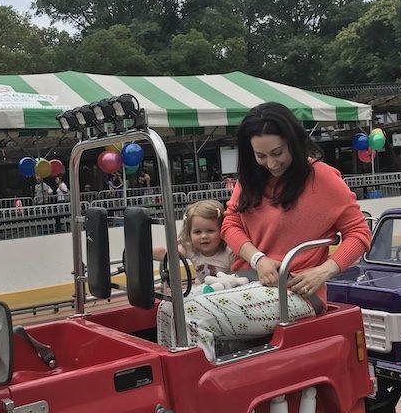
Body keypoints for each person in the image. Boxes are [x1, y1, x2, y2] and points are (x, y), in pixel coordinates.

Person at [156, 102, 372, 362]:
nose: (271, 163)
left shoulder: (323, 179)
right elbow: (230, 223)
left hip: (294, 291)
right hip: (244, 279)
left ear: (293, 142)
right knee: (168, 309)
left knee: (188, 314)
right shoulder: (251, 178)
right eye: (260, 156)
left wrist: (323, 271)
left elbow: (359, 233)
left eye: (277, 152)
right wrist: (259, 259)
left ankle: (200, 397)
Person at [153, 199, 233, 286]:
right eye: (197, 232)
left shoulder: (230, 252)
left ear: (222, 230)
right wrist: (141, 251)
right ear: (189, 233)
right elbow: (167, 254)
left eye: (210, 231)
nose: (204, 236)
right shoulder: (191, 249)